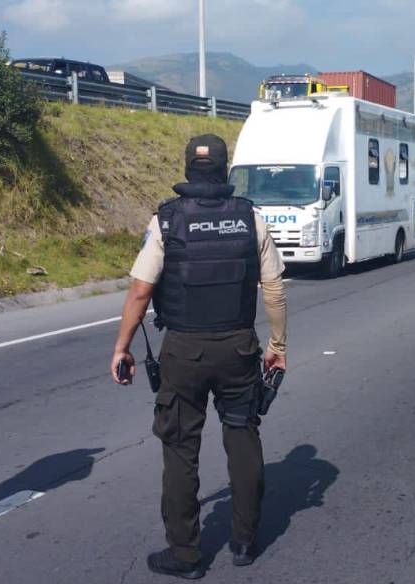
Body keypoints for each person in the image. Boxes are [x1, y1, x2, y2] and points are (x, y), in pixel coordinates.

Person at [110, 134, 288, 579]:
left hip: (184, 352)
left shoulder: (167, 220)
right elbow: (273, 288)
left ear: (188, 167)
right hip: (238, 348)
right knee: (242, 436)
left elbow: (140, 292)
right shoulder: (251, 218)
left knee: (180, 449)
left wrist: (122, 347)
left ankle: (185, 555)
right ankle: (244, 541)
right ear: (226, 168)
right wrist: (278, 347)